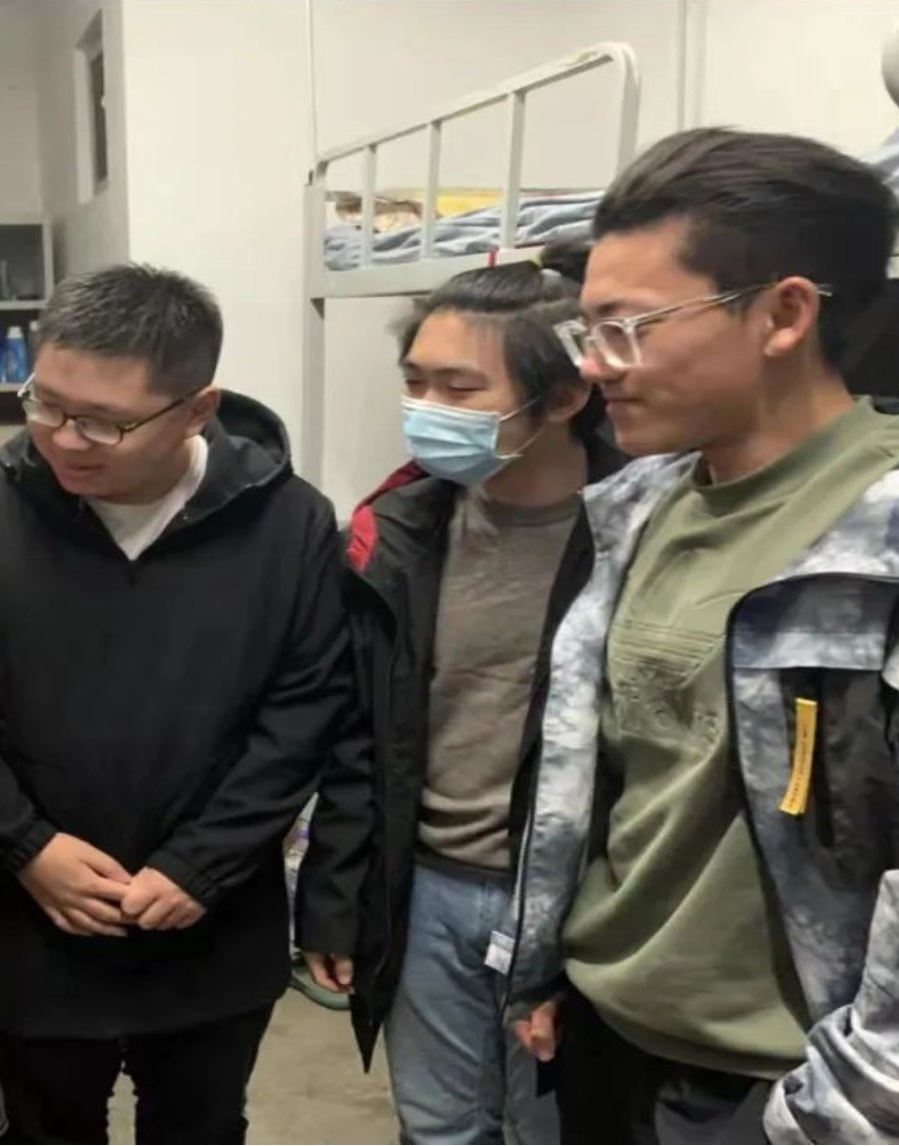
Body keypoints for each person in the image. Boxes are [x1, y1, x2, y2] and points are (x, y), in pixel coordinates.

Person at [507, 126, 899, 1144]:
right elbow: (606, 782)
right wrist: (547, 964)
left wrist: (844, 1119)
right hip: (606, 1042)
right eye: (585, 332)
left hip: (786, 1089)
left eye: (627, 329)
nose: (596, 367)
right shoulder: (637, 508)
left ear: (783, 314)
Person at [0, 263, 354, 1145]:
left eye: (104, 421)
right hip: (25, 920)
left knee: (202, 1127)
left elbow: (307, 707)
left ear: (198, 409)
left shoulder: (287, 524)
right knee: (45, 1127)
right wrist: (27, 845)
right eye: (45, 403)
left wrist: (203, 863)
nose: (65, 439)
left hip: (209, 924)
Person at [295, 250, 619, 1144]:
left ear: (564, 397)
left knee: (553, 1128)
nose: (426, 409)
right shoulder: (397, 535)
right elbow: (359, 736)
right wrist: (336, 899)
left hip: (576, 899)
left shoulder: (641, 533)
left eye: (460, 388)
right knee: (437, 1127)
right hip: (425, 886)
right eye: (415, 383)